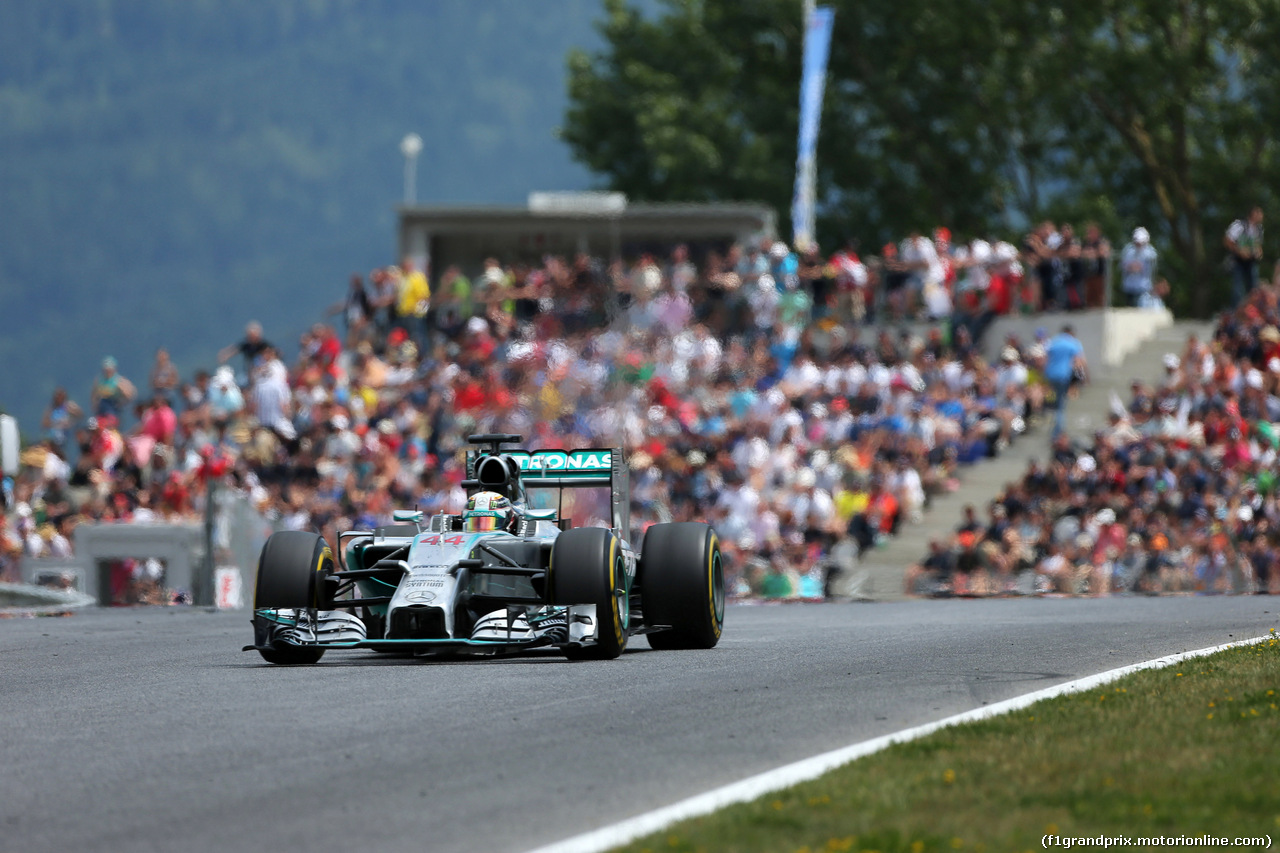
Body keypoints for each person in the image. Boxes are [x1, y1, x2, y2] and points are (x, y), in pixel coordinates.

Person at [1045, 324, 1087, 441]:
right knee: (1060, 405)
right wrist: (1083, 379)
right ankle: (1057, 432)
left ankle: (1054, 427)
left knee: (1056, 401)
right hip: (1064, 375)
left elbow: (1046, 358)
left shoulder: (1053, 342)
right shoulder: (1073, 343)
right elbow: (1080, 361)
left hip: (1051, 374)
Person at [1224, 206, 1264, 306]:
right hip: (1238, 261)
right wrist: (1239, 251)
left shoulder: (1259, 229)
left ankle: (1252, 311)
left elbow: (1258, 244)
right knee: (1237, 288)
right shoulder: (1239, 225)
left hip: (1251, 261)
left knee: (1254, 288)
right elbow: (1227, 240)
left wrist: (1258, 252)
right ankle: (1236, 312)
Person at [1120, 228, 1157, 307]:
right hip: (1129, 286)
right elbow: (1123, 265)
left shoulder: (1150, 252)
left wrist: (1135, 267)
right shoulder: (1128, 250)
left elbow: (1146, 268)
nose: (1138, 244)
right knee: (1130, 308)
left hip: (1143, 287)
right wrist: (1132, 267)